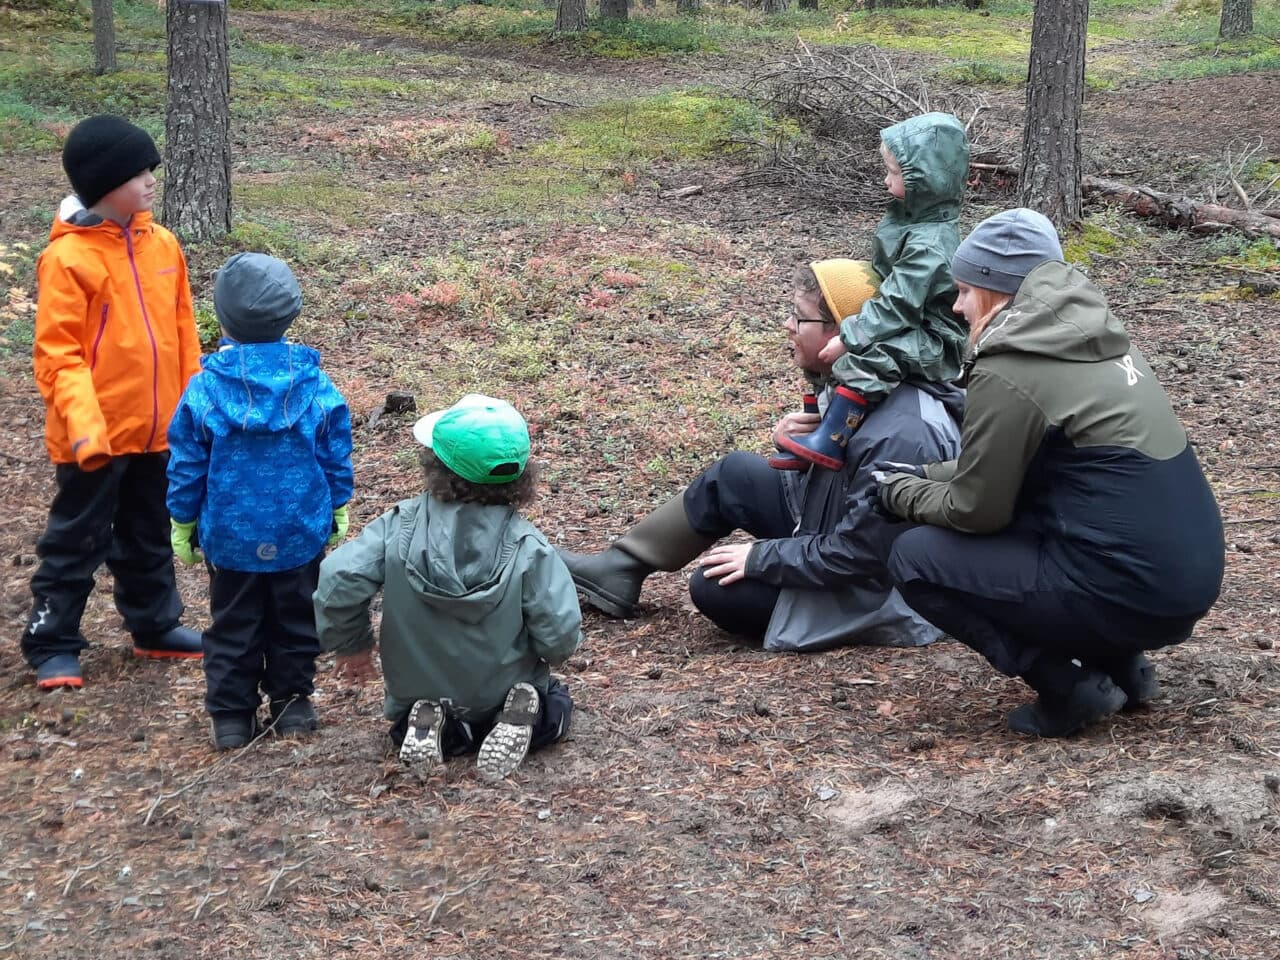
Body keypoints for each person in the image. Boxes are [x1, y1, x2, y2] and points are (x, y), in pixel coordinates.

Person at [874, 208, 1225, 737]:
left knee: (916, 557)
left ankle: (1068, 687)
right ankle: (1124, 667)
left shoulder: (1011, 364)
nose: (957, 305)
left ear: (996, 291)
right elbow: (1032, 466)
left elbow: (976, 510)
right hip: (1183, 581)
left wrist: (898, 494)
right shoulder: (1099, 341)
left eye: (965, 291)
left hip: (1129, 592)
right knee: (1069, 508)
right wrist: (926, 472)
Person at [560, 259, 963, 652]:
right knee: (735, 474)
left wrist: (761, 558)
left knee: (715, 588)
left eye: (799, 317)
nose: (788, 325)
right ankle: (619, 568)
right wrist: (799, 448)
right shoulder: (862, 382)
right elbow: (846, 484)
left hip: (880, 591)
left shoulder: (905, 430)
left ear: (845, 331)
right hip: (835, 533)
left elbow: (863, 556)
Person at [23, 114, 205, 690]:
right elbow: (58, 355)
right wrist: (85, 428)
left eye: (151, 169)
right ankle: (52, 641)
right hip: (92, 438)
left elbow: (184, 336)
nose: (151, 180)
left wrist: (193, 412)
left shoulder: (163, 245)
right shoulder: (67, 260)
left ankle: (155, 625)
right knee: (77, 539)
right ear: (103, 184)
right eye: (137, 173)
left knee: (148, 531)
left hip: (156, 432)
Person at [314, 395, 582, 780]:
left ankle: (428, 720)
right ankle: (516, 716)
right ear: (522, 477)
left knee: (411, 722)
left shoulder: (398, 526)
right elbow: (559, 635)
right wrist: (548, 651)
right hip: (500, 686)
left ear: (435, 465)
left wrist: (352, 642)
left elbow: (339, 576)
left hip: (417, 689)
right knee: (555, 703)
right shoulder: (528, 546)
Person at [167, 253, 354, 750]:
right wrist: (338, 503)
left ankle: (232, 715)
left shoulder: (204, 390)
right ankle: (293, 704)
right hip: (299, 530)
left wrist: (182, 519)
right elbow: (335, 451)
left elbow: (187, 462)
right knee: (296, 617)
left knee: (233, 621)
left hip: (231, 535)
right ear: (290, 315)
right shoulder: (314, 385)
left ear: (223, 320)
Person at [775, 112, 970, 471]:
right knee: (833, 355)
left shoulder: (929, 244)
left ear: (925, 179)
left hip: (934, 340)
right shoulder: (912, 219)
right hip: (913, 322)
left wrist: (851, 335)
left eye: (894, 173)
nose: (886, 180)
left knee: (866, 358)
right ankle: (812, 427)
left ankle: (832, 436)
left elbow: (900, 302)